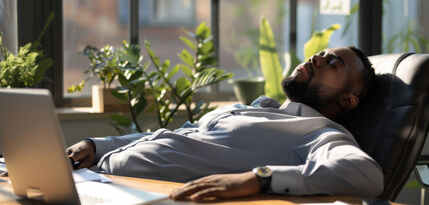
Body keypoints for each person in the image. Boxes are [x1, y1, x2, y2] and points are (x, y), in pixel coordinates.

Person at [67, 46, 383, 202]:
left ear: (347, 101)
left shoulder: (318, 133)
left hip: (137, 195)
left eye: (332, 64)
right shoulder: (253, 108)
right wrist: (98, 145)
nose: (316, 58)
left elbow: (365, 174)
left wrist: (260, 178)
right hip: (93, 179)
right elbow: (174, 135)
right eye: (320, 53)